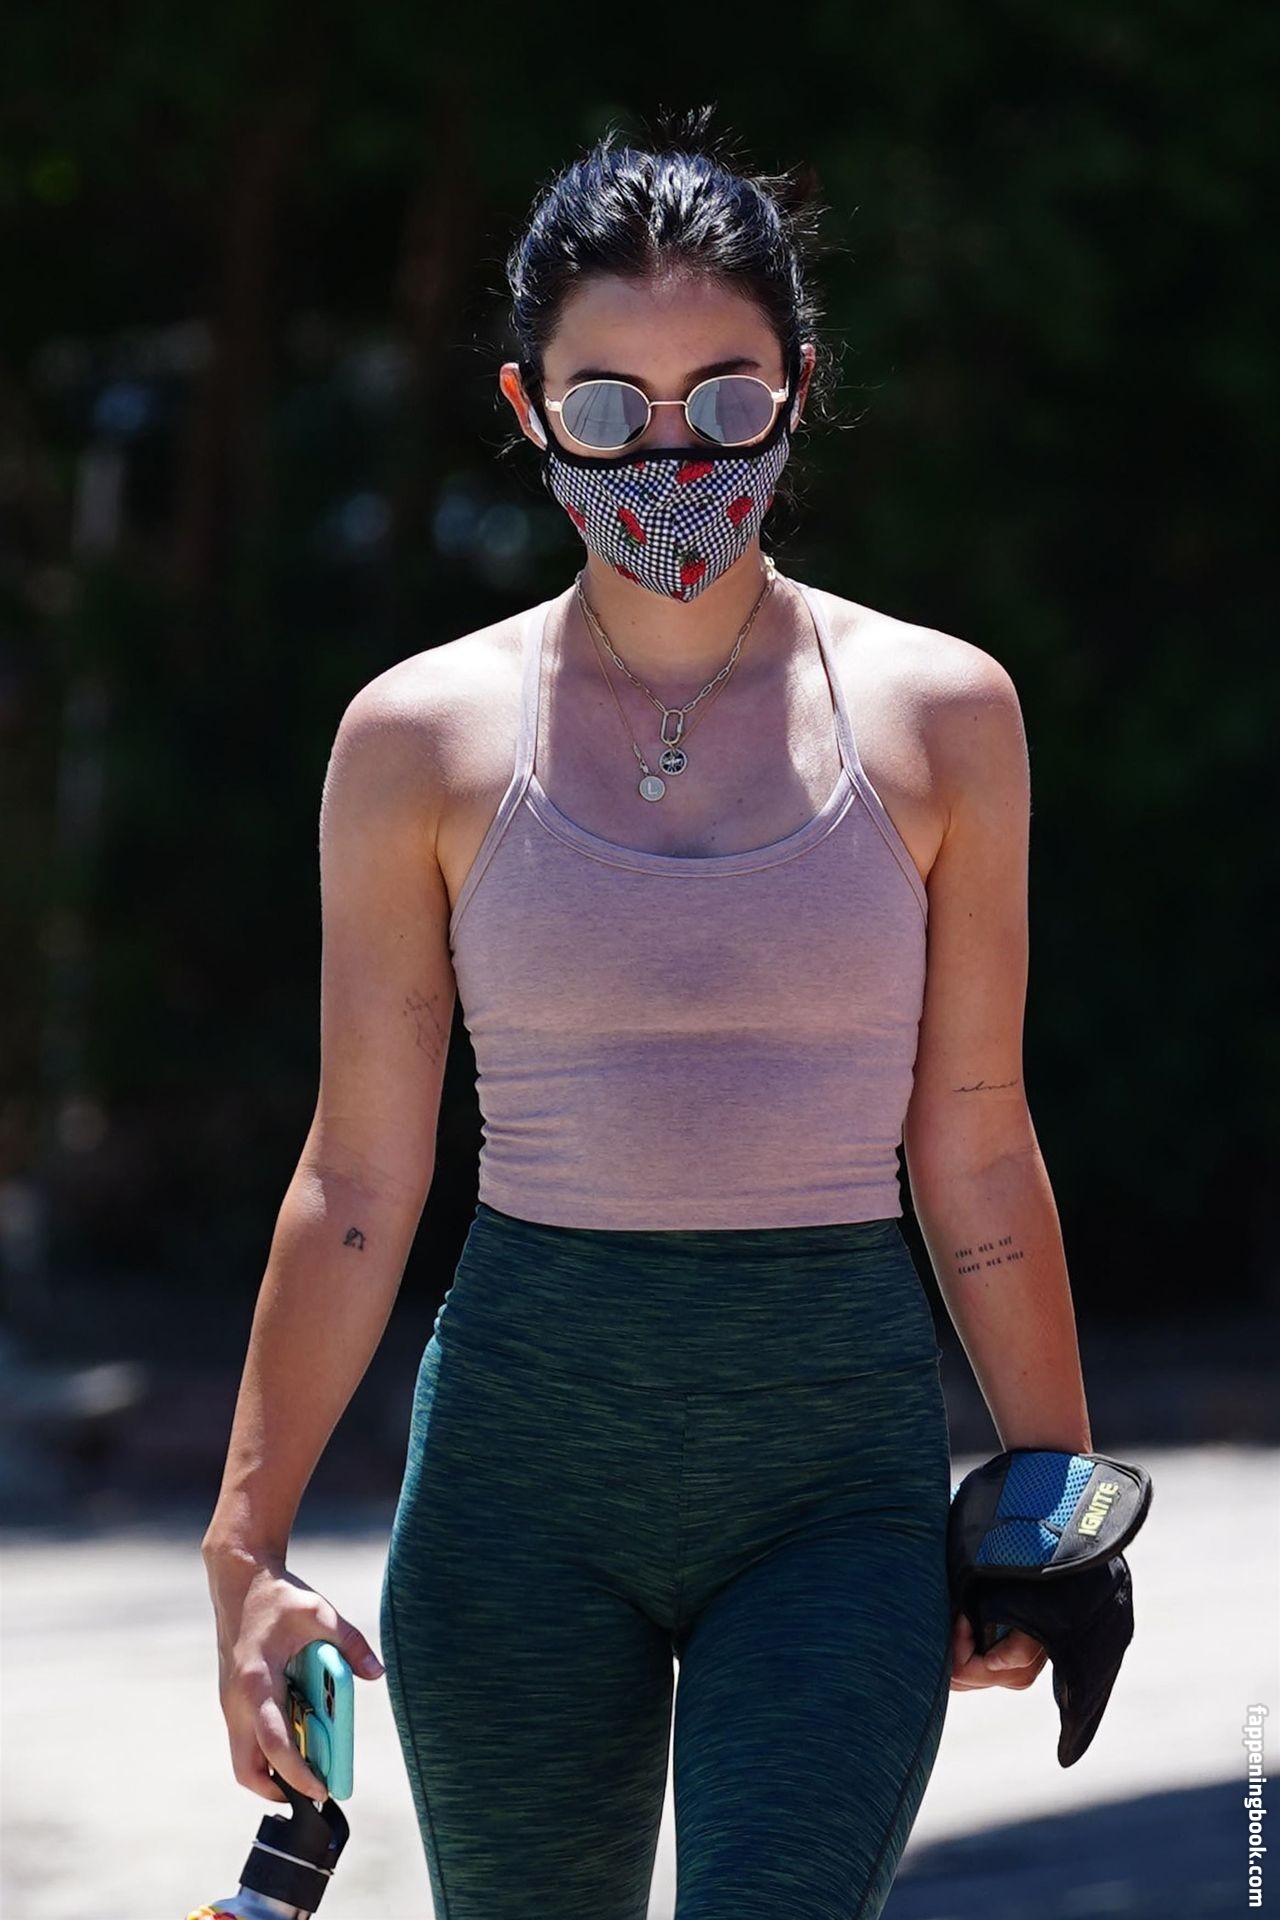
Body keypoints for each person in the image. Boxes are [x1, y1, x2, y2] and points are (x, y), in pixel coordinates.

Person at [202, 106, 1094, 1920]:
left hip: (831, 1481)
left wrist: (1057, 1498)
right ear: (529, 408)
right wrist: (245, 1554)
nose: (669, 450)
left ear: (799, 390)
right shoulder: (419, 740)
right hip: (518, 1488)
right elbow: (358, 1174)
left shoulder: (945, 718)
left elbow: (978, 1138)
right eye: (609, 405)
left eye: (723, 395)